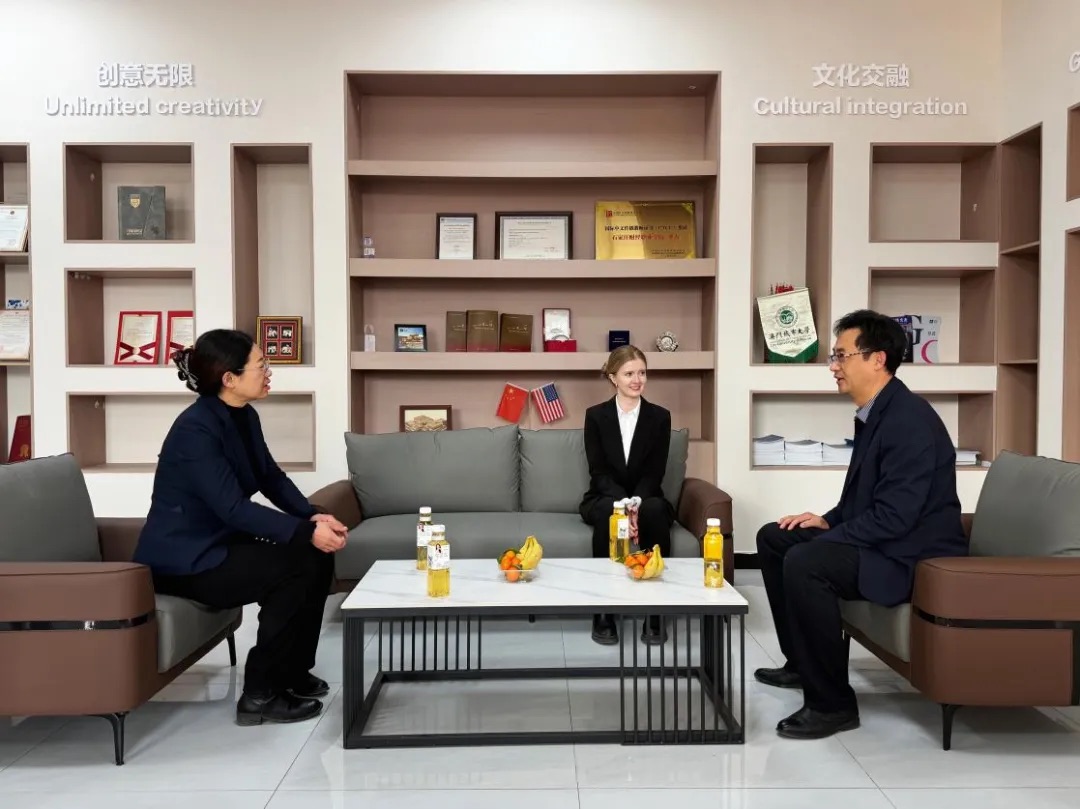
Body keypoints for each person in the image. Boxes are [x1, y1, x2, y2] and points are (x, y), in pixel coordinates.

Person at [754, 309, 967, 740]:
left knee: (807, 562)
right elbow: (863, 500)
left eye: (841, 356)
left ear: (877, 359)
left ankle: (832, 705)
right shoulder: (877, 412)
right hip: (886, 542)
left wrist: (829, 537)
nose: (833, 366)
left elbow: (896, 517)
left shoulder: (909, 421)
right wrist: (826, 520)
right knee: (776, 537)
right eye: (834, 357)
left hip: (909, 556)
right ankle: (801, 663)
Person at [133, 329, 349, 727]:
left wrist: (310, 516)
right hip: (187, 560)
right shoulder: (195, 430)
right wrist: (304, 532)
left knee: (315, 557)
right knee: (293, 568)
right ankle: (260, 694)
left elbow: (269, 476)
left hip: (221, 544)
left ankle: (292, 671)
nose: (269, 373)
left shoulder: (243, 415)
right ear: (229, 378)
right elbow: (232, 508)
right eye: (261, 365)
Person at [579, 345, 674, 646]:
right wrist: (623, 504)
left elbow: (655, 472)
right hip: (606, 495)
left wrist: (637, 502)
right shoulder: (596, 416)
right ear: (613, 377)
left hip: (647, 496)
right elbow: (598, 471)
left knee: (655, 512)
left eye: (642, 373)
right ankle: (604, 611)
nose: (637, 380)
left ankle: (656, 611)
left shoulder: (660, 417)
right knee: (610, 512)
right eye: (629, 373)